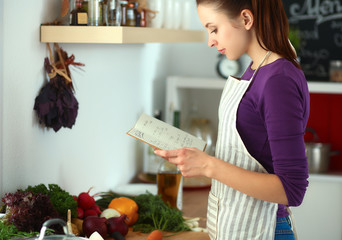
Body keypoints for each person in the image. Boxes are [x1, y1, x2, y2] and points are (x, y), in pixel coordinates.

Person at [154, 0, 310, 239]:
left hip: (265, 230)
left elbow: (292, 189)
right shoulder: (256, 69)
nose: (210, 41)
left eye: (213, 28)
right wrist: (192, 157)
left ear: (246, 19)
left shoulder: (278, 80)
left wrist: (208, 165)